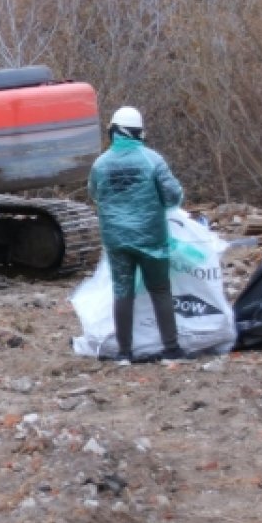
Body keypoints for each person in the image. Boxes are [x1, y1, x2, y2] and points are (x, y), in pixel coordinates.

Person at [87, 106, 186, 363]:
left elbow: (95, 193)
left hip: (116, 239)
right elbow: (173, 196)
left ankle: (124, 353)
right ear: (138, 132)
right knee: (160, 289)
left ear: (114, 131)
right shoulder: (152, 160)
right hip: (150, 236)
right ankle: (171, 349)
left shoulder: (100, 164)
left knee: (122, 291)